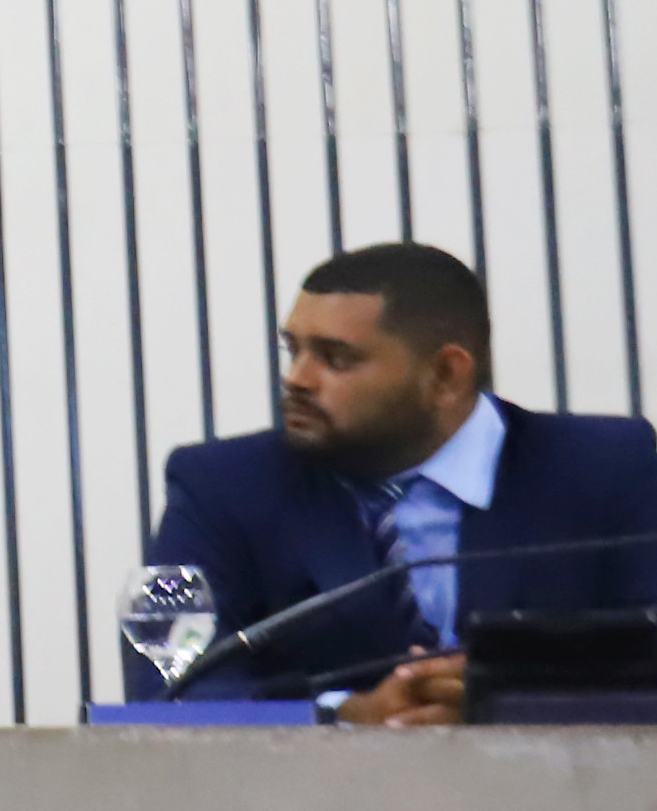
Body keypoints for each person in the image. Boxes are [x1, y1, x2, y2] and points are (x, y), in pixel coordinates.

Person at [138, 240, 657, 722]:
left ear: (446, 375)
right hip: (319, 788)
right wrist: (343, 714)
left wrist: (505, 707)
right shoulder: (225, 484)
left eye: (335, 358)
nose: (297, 379)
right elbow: (167, 689)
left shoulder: (607, 467)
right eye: (293, 350)